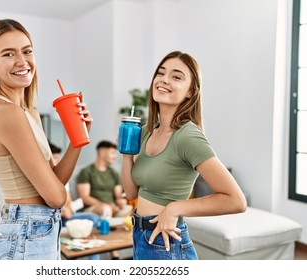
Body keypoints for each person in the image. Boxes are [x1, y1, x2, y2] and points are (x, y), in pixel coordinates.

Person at [0, 19, 93, 260]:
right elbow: (57, 197)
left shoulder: (30, 113)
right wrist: (58, 195)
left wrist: (78, 137)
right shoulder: (5, 112)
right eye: (8, 54)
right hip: (26, 234)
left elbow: (55, 180)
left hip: (37, 232)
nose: (22, 61)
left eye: (27, 51)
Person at [120, 51, 247, 260]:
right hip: (141, 237)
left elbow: (236, 200)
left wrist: (175, 208)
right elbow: (131, 193)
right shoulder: (146, 131)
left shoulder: (187, 135)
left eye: (176, 76)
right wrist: (127, 153)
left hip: (166, 245)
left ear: (190, 91)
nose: (164, 80)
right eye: (161, 73)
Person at [76, 140, 132, 218]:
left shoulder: (114, 173)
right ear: (102, 152)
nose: (115, 156)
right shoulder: (86, 172)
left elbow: (118, 195)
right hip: (94, 208)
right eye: (112, 153)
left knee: (129, 209)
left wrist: (120, 201)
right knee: (105, 209)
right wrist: (107, 205)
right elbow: (85, 198)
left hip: (113, 208)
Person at [49, 142, 99, 227]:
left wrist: (67, 209)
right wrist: (62, 212)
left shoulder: (63, 176)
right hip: (53, 217)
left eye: (59, 158)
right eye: (55, 158)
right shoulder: (46, 178)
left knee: (94, 218)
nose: (59, 161)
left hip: (66, 215)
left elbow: (68, 200)